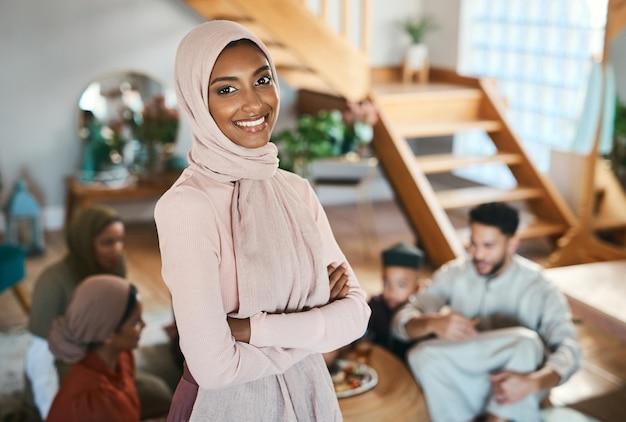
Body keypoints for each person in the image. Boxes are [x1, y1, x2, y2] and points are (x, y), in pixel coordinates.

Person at [154, 20, 371, 421]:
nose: (254, 104)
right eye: (226, 89)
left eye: (262, 79)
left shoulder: (296, 190)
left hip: (311, 398)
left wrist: (250, 330)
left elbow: (357, 316)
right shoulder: (187, 207)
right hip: (226, 408)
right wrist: (317, 318)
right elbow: (215, 368)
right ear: (195, 102)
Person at [391, 202, 581, 422]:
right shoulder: (454, 272)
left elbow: (570, 348)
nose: (478, 254)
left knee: (526, 343)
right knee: (421, 355)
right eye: (473, 243)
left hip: (515, 388)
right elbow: (401, 321)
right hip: (463, 383)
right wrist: (432, 323)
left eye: (488, 245)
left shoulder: (540, 286)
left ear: (512, 244)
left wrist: (536, 382)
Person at [25, 205, 172, 420]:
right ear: (85, 242)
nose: (116, 249)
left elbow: (122, 323)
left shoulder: (115, 266)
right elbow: (39, 357)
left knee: (160, 394)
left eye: (120, 240)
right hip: (61, 367)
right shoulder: (53, 283)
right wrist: (49, 408)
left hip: (104, 359)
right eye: (107, 242)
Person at [46, 275, 144, 422]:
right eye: (135, 322)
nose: (144, 325)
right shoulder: (96, 403)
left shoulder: (122, 356)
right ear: (108, 334)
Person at [367, 241, 423, 359]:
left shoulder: (418, 316)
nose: (392, 291)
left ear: (416, 288)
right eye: (387, 283)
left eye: (401, 285)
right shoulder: (375, 306)